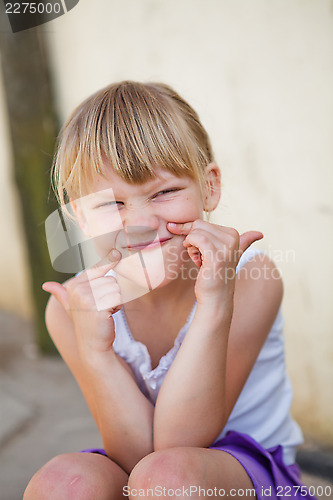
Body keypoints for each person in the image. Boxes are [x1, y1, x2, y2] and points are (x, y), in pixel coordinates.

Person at [24, 81, 315, 500]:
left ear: (209, 187)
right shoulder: (72, 308)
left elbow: (180, 446)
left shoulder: (251, 278)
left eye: (164, 192)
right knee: (63, 484)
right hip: (143, 469)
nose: (139, 224)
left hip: (248, 472)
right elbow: (134, 454)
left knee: (168, 479)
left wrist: (215, 303)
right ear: (78, 216)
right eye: (111, 204)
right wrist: (97, 353)